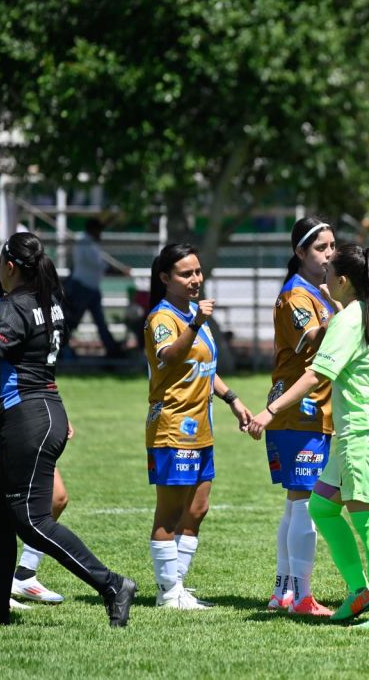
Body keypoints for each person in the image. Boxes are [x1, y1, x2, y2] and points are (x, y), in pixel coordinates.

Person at [0, 232, 136, 626]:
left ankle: (113, 584)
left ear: (8, 266)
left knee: (31, 521)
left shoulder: (12, 308)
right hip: (44, 413)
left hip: (26, 419)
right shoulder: (47, 302)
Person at [248, 243, 369, 631]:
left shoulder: (351, 320)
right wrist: (337, 312)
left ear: (344, 280)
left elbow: (317, 375)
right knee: (321, 507)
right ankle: (359, 590)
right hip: (367, 430)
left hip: (364, 434)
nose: (325, 277)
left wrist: (270, 410)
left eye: (330, 272)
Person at [145, 243, 253, 610]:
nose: (195, 279)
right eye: (185, 274)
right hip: (173, 425)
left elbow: (203, 369)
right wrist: (195, 324)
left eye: (197, 272)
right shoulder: (162, 318)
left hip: (201, 425)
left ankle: (177, 585)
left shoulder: (192, 312)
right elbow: (171, 357)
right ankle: (166, 592)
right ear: (165, 278)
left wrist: (232, 399)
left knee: (198, 508)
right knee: (170, 512)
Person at [0, 259, 69, 608]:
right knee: (5, 510)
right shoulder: (2, 311)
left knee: (50, 499)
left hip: (27, 415)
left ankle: (22, 576)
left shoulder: (33, 308)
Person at [263, 218, 336, 616]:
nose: (330, 254)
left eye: (332, 246)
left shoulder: (318, 292)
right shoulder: (296, 296)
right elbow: (309, 340)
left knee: (296, 502)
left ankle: (284, 591)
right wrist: (343, 315)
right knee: (303, 501)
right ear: (300, 253)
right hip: (298, 410)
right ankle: (301, 595)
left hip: (311, 410)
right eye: (321, 248)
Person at [64, 219, 123, 358]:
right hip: (82, 288)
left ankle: (112, 349)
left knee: (100, 322)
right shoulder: (85, 242)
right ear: (93, 229)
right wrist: (119, 271)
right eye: (98, 230)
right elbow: (99, 265)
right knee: (72, 321)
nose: (101, 233)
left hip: (90, 288)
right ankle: (60, 347)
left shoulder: (89, 242)